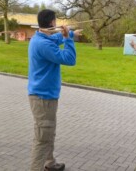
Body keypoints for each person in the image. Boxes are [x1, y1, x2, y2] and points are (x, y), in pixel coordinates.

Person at [28, 9, 80, 171]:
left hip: (45, 96)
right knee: (43, 138)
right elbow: (69, 59)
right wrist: (69, 40)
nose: (57, 24)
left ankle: (49, 163)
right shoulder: (43, 44)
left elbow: (55, 38)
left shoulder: (40, 36)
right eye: (55, 21)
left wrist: (68, 34)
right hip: (43, 98)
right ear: (52, 23)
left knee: (48, 132)